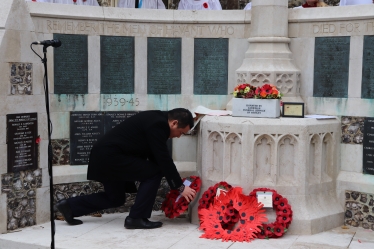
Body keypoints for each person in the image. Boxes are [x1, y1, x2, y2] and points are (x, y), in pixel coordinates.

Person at [56, 109, 197, 229]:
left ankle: (69, 207)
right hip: (111, 157)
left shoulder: (157, 119)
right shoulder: (158, 124)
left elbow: (155, 156)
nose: (179, 136)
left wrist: (176, 184)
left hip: (107, 156)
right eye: (181, 132)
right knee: (154, 173)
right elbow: (163, 158)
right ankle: (137, 218)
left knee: (115, 198)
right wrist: (180, 187)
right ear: (174, 123)